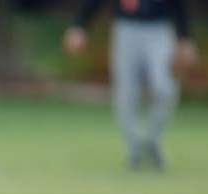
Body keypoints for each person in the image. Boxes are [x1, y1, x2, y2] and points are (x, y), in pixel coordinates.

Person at [63, 0, 197, 170]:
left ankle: (151, 140)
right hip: (126, 28)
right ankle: (134, 148)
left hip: (159, 29)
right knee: (126, 92)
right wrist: (79, 26)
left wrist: (185, 37)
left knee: (164, 88)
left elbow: (178, 4)